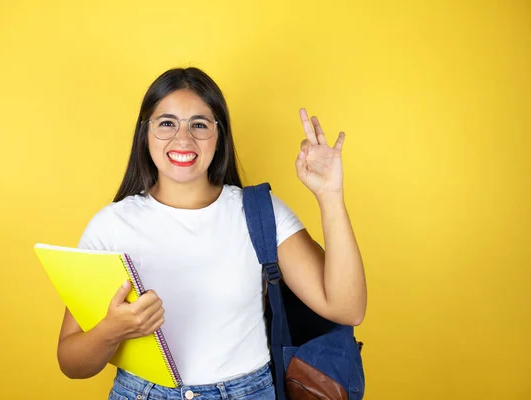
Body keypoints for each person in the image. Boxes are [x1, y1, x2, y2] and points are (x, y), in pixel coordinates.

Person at [56, 67, 367, 400]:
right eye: (167, 123)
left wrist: (330, 195)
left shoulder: (261, 212)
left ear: (219, 136)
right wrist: (111, 331)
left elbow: (347, 309)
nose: (183, 139)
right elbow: (72, 363)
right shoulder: (111, 226)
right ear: (144, 133)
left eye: (199, 125)